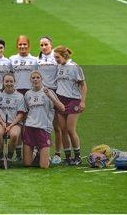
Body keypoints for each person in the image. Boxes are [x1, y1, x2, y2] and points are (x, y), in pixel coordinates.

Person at [23, 71, 65, 169]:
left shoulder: (49, 92)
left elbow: (62, 108)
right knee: (27, 164)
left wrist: (51, 97)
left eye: (38, 77)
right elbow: (26, 112)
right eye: (33, 78)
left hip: (43, 128)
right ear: (30, 80)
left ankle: (42, 154)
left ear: (42, 79)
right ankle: (36, 152)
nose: (35, 79)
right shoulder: (28, 94)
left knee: (44, 166)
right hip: (30, 127)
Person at [54, 46, 87, 166]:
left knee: (70, 129)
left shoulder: (74, 67)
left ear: (64, 55)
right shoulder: (58, 67)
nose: (56, 59)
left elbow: (83, 85)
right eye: (55, 57)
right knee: (63, 130)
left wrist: (82, 101)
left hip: (73, 100)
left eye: (57, 57)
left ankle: (77, 156)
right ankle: (68, 157)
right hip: (60, 100)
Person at [37, 36, 63, 164]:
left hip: (55, 93)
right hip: (42, 94)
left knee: (56, 126)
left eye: (46, 44)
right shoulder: (39, 58)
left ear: (51, 45)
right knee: (43, 125)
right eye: (41, 45)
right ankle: (42, 152)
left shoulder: (56, 57)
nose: (43, 47)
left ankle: (58, 153)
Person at [0, 74, 26, 167]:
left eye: (11, 81)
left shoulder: (20, 96)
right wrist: (3, 123)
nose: (9, 83)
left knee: (15, 135)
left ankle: (9, 157)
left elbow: (20, 114)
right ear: (3, 83)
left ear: (14, 83)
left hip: (14, 123)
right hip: (1, 122)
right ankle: (0, 156)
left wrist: (11, 125)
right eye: (6, 81)